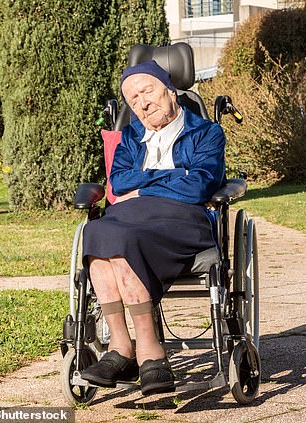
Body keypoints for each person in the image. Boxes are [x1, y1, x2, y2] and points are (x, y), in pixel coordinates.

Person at [80, 60, 226, 396]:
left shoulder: (207, 132)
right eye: (133, 100)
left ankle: (147, 348)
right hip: (129, 217)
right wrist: (175, 175)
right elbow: (118, 183)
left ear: (170, 90)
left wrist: (144, 187)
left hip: (182, 219)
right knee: (96, 232)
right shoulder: (130, 138)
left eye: (147, 91)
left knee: (117, 235)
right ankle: (121, 345)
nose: (142, 103)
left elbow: (199, 186)